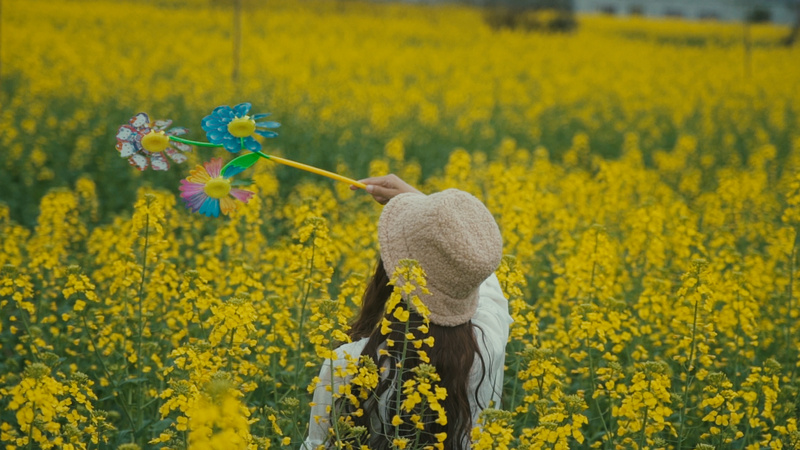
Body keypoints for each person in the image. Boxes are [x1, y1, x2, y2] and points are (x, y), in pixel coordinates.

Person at [302, 174, 512, 450]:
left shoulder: (348, 362)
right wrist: (432, 217)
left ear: (390, 272)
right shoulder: (488, 342)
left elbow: (318, 445)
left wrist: (422, 214)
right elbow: (477, 271)